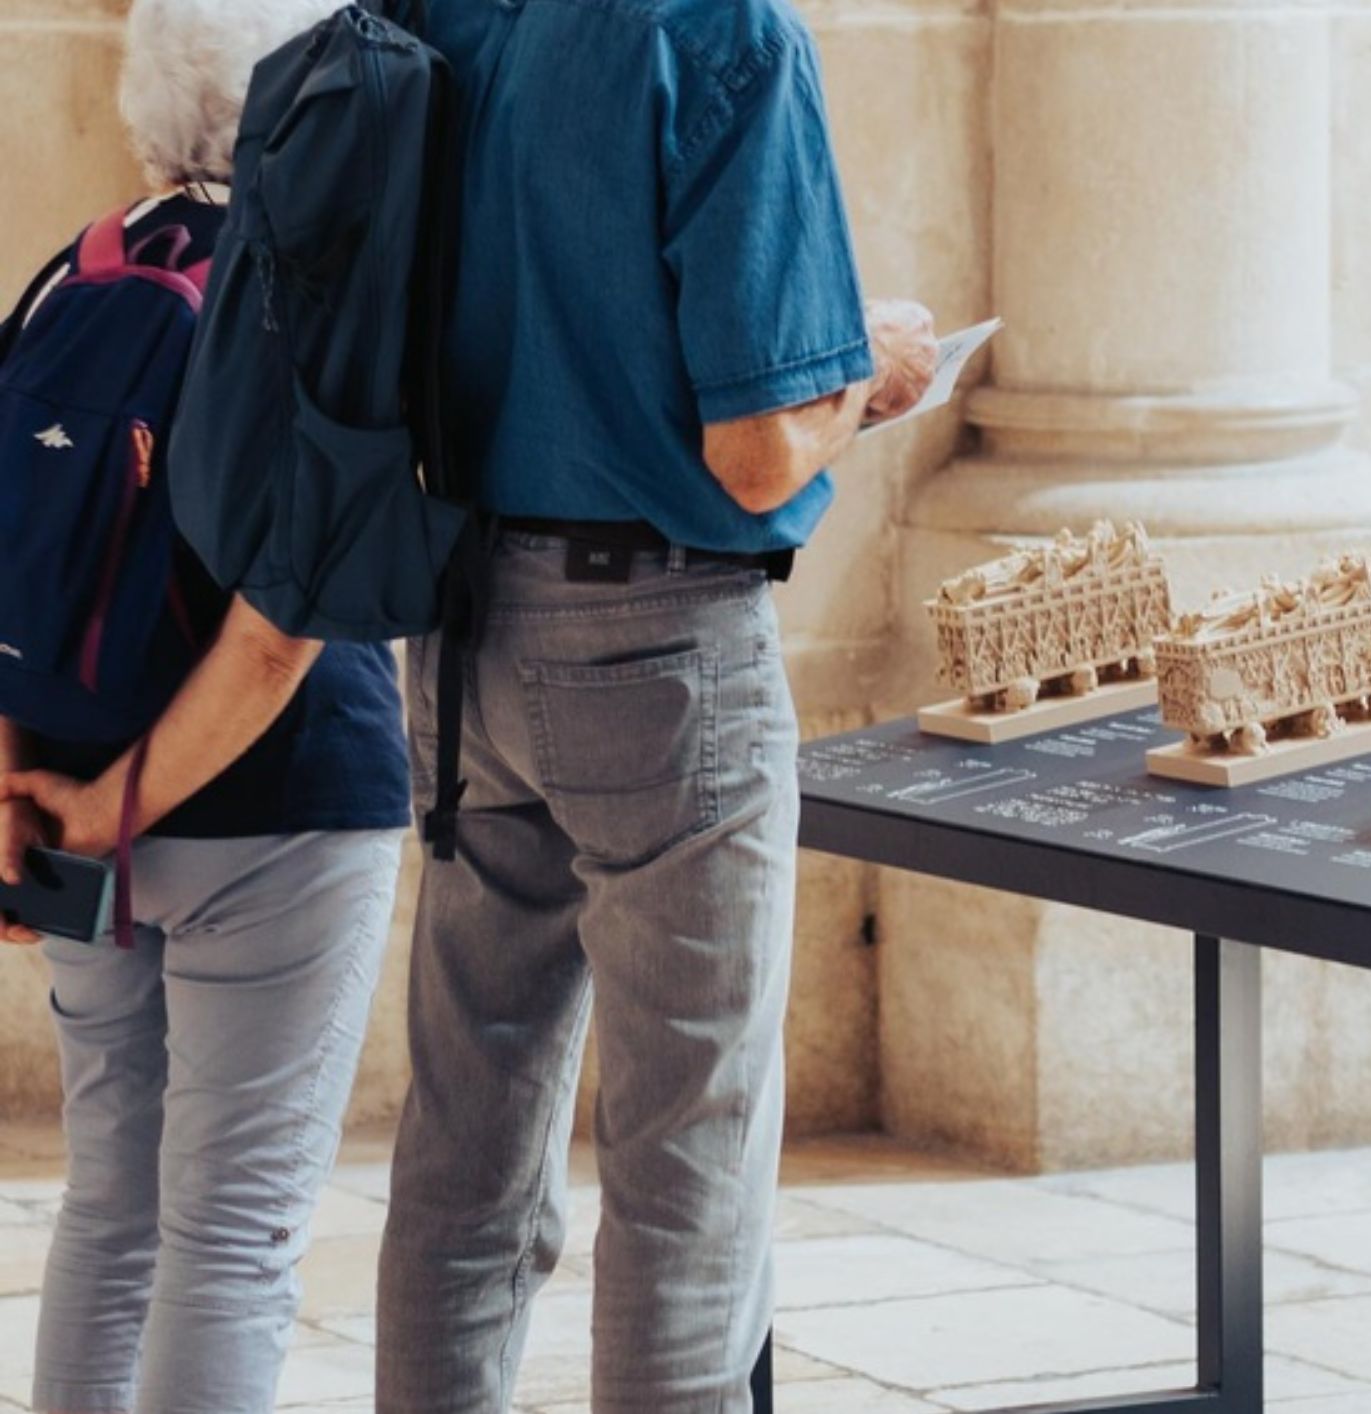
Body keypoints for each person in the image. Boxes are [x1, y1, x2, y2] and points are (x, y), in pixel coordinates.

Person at [373, 0, 939, 1410]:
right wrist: (872, 368)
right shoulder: (726, 29)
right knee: (688, 1171)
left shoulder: (444, 13)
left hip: (461, 639)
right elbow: (757, 452)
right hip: (659, 651)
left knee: (463, 1159)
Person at [0, 2, 411, 1411]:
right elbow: (280, 634)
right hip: (275, 809)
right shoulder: (297, 295)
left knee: (109, 1209)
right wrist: (123, 805)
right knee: (233, 1230)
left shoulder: (79, 269)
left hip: (65, 792)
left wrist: (23, 785)